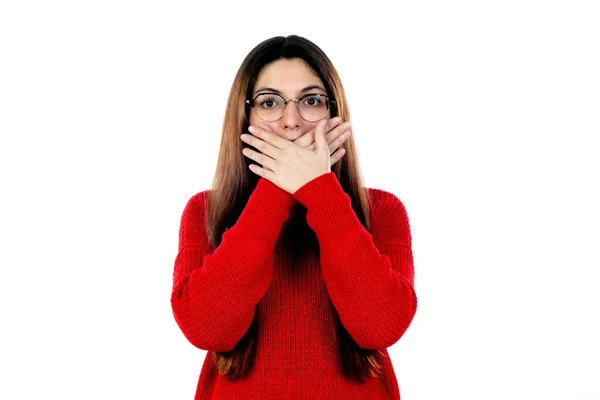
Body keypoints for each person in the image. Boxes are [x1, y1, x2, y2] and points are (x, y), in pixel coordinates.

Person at [171, 34, 417, 400]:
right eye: (270, 102)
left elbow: (380, 328)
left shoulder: (382, 211)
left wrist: (320, 191)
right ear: (245, 115)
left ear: (334, 114)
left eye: (311, 100)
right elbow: (207, 329)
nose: (291, 121)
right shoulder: (205, 211)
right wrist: (277, 189)